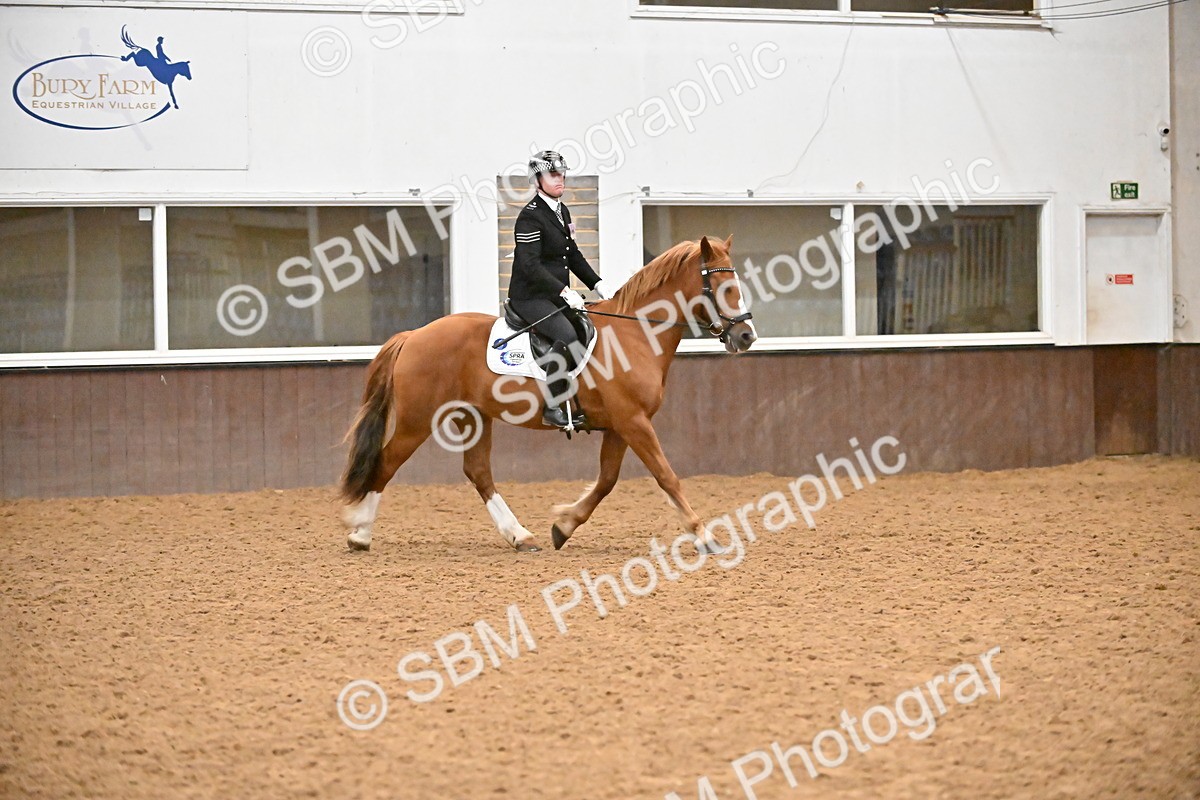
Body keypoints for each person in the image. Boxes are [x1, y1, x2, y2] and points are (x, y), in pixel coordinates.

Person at [508, 150, 610, 431]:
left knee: (585, 330)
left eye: (562, 174)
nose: (560, 179)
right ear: (537, 180)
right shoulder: (529, 217)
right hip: (529, 297)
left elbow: (572, 255)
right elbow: (530, 266)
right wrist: (565, 291)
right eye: (553, 175)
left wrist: (597, 284)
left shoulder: (562, 211)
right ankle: (552, 406)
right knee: (566, 335)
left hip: (553, 295)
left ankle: (576, 401)